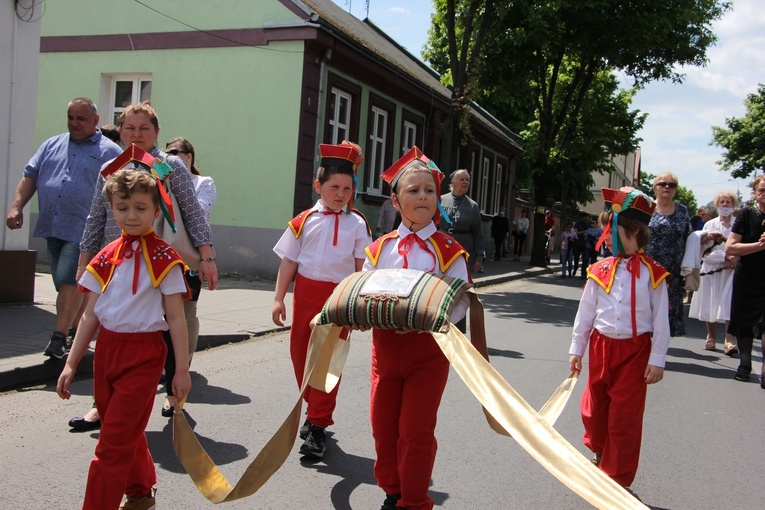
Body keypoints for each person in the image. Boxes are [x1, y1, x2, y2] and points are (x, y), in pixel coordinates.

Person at [68, 102, 217, 432]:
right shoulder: (112, 167)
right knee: (111, 325)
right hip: (116, 260)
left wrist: (206, 258)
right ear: (120, 131)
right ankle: (101, 403)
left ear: (156, 133)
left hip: (161, 259)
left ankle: (174, 387)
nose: (136, 134)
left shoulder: (167, 166)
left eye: (144, 129)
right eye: (129, 128)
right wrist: (85, 260)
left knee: (172, 323)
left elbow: (191, 213)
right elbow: (96, 216)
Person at [57, 169, 191, 510]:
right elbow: (90, 315)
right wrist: (71, 363)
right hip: (107, 351)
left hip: (145, 354)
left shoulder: (165, 259)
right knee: (124, 429)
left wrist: (181, 371)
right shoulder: (105, 257)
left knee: (111, 442)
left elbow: (175, 317)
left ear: (156, 211)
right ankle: (141, 489)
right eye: (123, 207)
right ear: (111, 209)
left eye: (141, 208)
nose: (131, 215)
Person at [364, 147, 470, 510]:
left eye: (429, 190)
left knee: (415, 432)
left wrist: (426, 318)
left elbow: (460, 302)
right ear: (395, 200)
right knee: (382, 426)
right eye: (413, 190)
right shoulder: (379, 250)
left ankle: (413, 500)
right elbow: (363, 291)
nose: (422, 196)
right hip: (385, 352)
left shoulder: (449, 251)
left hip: (428, 354)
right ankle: (392, 490)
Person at [272, 141, 371, 458]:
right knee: (300, 356)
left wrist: (358, 303)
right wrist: (278, 299)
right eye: (334, 187)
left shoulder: (357, 224)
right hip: (306, 295)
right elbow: (288, 261)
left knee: (328, 362)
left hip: (338, 301)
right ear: (318, 186)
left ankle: (317, 425)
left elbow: (360, 267)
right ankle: (313, 409)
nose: (340, 193)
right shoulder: (303, 221)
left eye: (347, 187)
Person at [569, 187, 670, 492]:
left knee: (624, 418)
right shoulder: (599, 271)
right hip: (602, 347)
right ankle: (600, 449)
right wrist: (577, 348)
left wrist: (657, 359)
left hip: (634, 351)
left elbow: (661, 321)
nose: (611, 237)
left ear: (635, 233)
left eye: (617, 232)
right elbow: (585, 313)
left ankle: (616, 479)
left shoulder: (654, 274)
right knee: (593, 408)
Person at [5, 97, 121, 359]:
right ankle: (74, 332)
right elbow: (30, 174)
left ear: (94, 121)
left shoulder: (110, 151)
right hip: (54, 224)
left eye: (80, 119)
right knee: (66, 285)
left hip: (85, 229)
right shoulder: (51, 144)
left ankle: (58, 338)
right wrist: (16, 207)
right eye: (70, 117)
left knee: (70, 283)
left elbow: (120, 190)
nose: (74, 123)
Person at [159, 137, 217, 415]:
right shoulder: (159, 173)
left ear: (190, 156)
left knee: (185, 312)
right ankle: (166, 364)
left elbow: (199, 212)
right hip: (161, 255)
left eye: (178, 153)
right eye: (168, 152)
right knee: (162, 316)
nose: (172, 156)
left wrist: (177, 186)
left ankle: (184, 360)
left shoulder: (202, 182)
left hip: (188, 255)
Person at [725, 176, 765, 384]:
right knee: (744, 322)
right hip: (748, 275)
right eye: (762, 190)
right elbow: (730, 247)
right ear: (755, 192)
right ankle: (744, 364)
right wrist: (759, 246)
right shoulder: (747, 214)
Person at [689, 192, 739, 354]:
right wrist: (724, 257)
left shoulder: (739, 224)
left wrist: (734, 259)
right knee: (710, 302)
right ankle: (711, 336)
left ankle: (729, 339)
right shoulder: (709, 225)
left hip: (732, 271)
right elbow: (703, 251)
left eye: (728, 202)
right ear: (717, 205)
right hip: (712, 270)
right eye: (722, 202)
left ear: (733, 205)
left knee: (730, 304)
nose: (725, 205)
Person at [645, 172, 693, 337]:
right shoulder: (646, 208)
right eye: (662, 184)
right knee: (645, 306)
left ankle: (659, 348)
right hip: (647, 268)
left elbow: (690, 237)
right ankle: (645, 345)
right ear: (655, 187)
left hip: (673, 270)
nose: (666, 187)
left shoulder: (682, 211)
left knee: (667, 309)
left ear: (675, 190)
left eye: (671, 185)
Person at [438, 169, 485, 272]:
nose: (465, 182)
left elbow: (478, 233)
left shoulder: (473, 206)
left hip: (464, 248)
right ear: (452, 182)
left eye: (467, 180)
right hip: (443, 245)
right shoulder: (440, 201)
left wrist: (479, 257)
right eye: (462, 179)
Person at [572, 211, 590, 277]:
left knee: (585, 259)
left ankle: (583, 273)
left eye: (586, 218)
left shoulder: (589, 224)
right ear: (582, 218)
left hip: (586, 244)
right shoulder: (578, 223)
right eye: (584, 218)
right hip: (578, 243)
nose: (585, 219)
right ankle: (575, 269)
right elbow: (576, 232)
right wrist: (584, 232)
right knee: (576, 258)